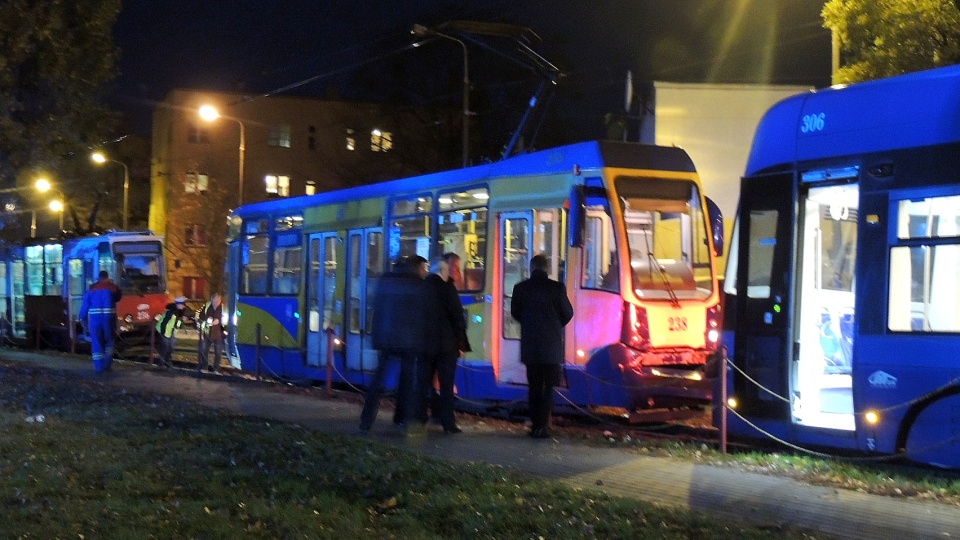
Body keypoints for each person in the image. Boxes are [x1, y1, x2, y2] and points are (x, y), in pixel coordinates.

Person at [359, 255, 428, 434]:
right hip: (408, 340)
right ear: (416, 267)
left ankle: (366, 421)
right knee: (406, 382)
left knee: (378, 382)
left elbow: (377, 308)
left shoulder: (385, 280)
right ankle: (402, 419)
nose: (425, 271)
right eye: (423, 267)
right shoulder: (417, 284)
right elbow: (421, 315)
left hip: (385, 338)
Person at [510, 254, 574, 439]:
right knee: (548, 389)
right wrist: (555, 325)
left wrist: (530, 324)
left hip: (531, 347)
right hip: (551, 347)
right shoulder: (557, 288)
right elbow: (568, 313)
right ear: (546, 269)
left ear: (531, 269)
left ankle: (535, 425)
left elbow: (515, 313)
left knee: (534, 387)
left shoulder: (520, 288)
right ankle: (543, 427)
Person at [418, 255, 468, 434]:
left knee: (423, 382)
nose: (450, 274)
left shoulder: (421, 287)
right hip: (446, 346)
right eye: (448, 271)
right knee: (446, 385)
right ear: (442, 271)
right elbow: (457, 318)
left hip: (425, 345)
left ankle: (419, 418)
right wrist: (462, 343)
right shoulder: (448, 288)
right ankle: (448, 423)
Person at [78, 271, 122, 373]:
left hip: (95, 321)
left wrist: (82, 319)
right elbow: (118, 298)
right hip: (109, 320)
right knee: (109, 342)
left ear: (99, 278)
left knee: (97, 343)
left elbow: (85, 306)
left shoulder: (92, 289)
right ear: (107, 277)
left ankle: (98, 367)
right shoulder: (113, 288)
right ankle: (107, 365)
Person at [155, 296, 190, 370]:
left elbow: (177, 323)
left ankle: (167, 362)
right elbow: (163, 323)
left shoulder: (179, 312)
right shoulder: (170, 312)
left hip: (170, 332)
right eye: (182, 305)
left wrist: (181, 325)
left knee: (171, 347)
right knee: (165, 347)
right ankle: (162, 363)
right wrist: (164, 333)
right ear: (178, 304)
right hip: (164, 331)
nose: (184, 306)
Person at [196, 293, 225, 374]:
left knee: (218, 353)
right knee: (204, 351)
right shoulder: (207, 307)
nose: (216, 303)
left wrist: (220, 322)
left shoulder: (223, 308)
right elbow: (200, 318)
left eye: (218, 301)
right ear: (211, 300)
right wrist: (209, 322)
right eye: (215, 301)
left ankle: (216, 369)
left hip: (218, 334)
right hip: (207, 333)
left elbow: (227, 321)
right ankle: (204, 368)